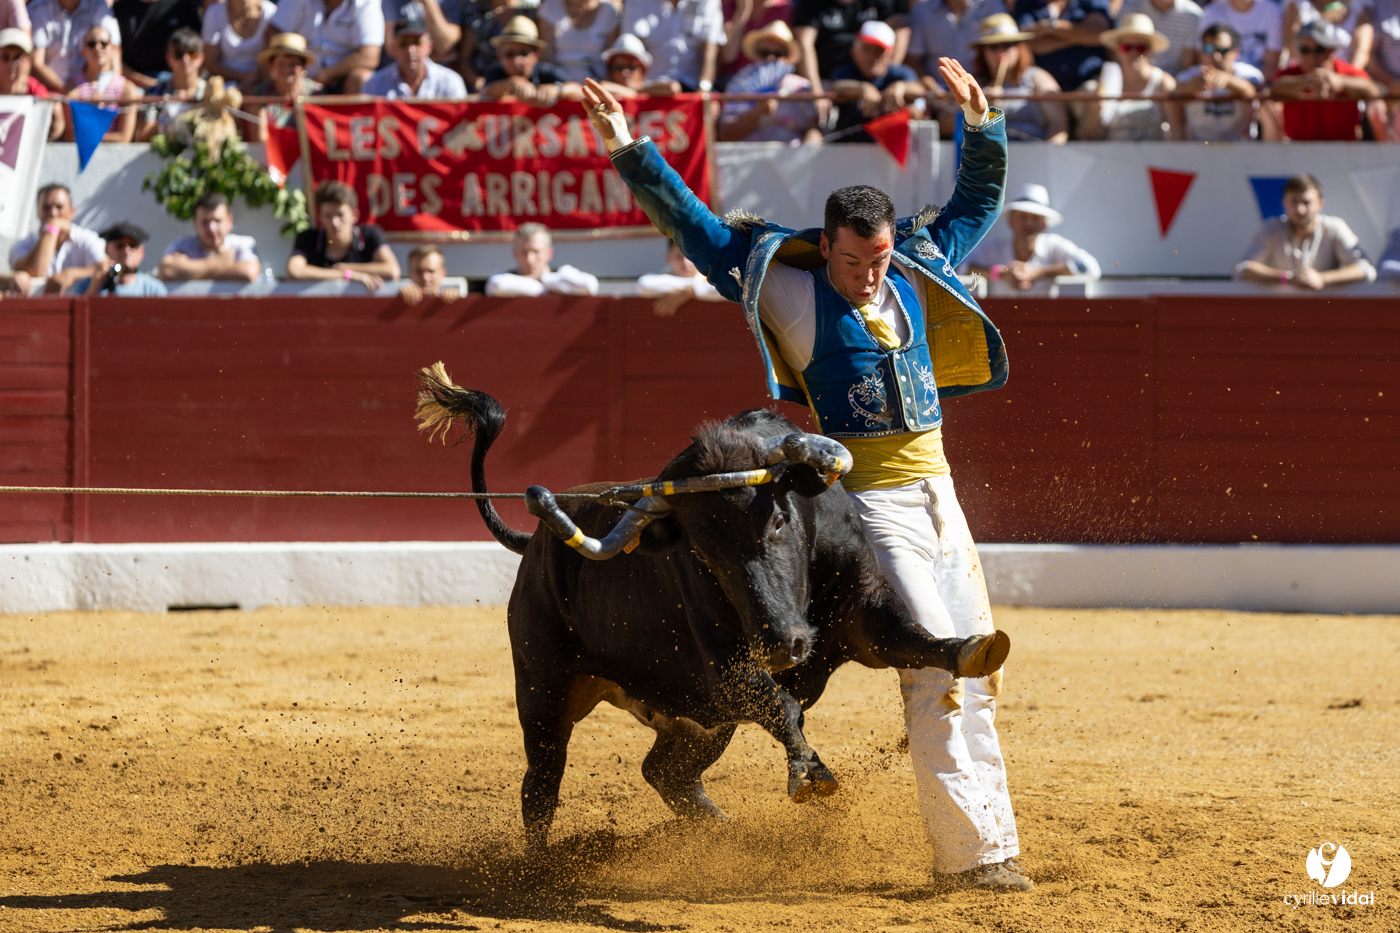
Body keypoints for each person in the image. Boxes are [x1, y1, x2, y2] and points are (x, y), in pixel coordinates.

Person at [583, 58, 1031, 891]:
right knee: (934, 667)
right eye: (856, 260)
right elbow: (700, 232)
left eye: (881, 258)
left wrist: (983, 127)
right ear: (827, 247)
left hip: (940, 493)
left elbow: (975, 204)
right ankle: (969, 858)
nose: (872, 274)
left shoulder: (915, 263)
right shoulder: (789, 290)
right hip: (874, 505)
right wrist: (629, 147)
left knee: (980, 667)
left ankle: (996, 844)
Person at [1235, 174, 1375, 289]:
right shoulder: (1272, 228)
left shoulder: (1334, 227)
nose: (1300, 209)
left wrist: (1322, 278)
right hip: (1281, 310)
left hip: (1325, 310)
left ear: (1320, 204)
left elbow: (1365, 268)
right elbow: (1243, 268)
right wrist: (1287, 278)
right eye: (1294, 202)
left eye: (1306, 202)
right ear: (1284, 203)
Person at [961, 183, 1100, 294]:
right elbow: (959, 267)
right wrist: (1001, 274)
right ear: (1011, 221)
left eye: (1035, 218)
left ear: (1044, 224)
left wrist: (1038, 272)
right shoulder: (992, 247)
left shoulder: (1053, 245)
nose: (1029, 223)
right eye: (1023, 216)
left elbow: (1091, 268)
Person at [1271, 19, 1378, 138]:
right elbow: (1274, 91)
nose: (1312, 57)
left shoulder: (1346, 72)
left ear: (1331, 50)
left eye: (1319, 49)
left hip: (1344, 147)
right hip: (1299, 147)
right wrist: (1306, 81)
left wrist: (1341, 82)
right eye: (1305, 50)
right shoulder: (1291, 73)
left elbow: (1372, 89)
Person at [967, 14, 1067, 142]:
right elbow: (948, 123)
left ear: (1019, 47)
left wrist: (1049, 152)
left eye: (1007, 45)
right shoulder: (974, 85)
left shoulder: (1036, 78)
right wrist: (978, 110)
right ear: (982, 52)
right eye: (993, 46)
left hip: (1035, 151)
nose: (1001, 53)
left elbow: (1058, 125)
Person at [286, 180, 401, 291]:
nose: (335, 222)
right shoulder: (307, 238)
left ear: (354, 215)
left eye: (340, 214)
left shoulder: (369, 235)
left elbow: (392, 270)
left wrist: (344, 267)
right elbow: (294, 271)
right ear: (320, 217)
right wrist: (347, 275)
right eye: (328, 215)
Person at [719, 21, 821, 142]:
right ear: (756, 54)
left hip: (792, 151)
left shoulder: (802, 87)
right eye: (764, 53)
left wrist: (806, 149)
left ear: (787, 57)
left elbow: (814, 130)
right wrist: (758, 111)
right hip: (749, 152)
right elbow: (725, 135)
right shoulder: (739, 83)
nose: (770, 58)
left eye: (778, 53)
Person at [1081, 12, 1176, 138]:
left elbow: (1178, 134)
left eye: (1141, 48)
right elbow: (1090, 139)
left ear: (1150, 51)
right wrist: (1095, 111)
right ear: (1117, 50)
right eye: (1127, 47)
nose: (1134, 53)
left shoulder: (1164, 84)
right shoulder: (1104, 84)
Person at [829, 20, 923, 143]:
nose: (872, 56)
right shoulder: (845, 72)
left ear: (890, 55)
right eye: (866, 49)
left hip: (894, 149)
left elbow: (919, 89)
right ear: (854, 53)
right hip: (848, 148)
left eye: (879, 51)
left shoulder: (901, 74)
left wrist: (902, 87)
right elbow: (836, 87)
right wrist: (862, 88)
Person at [1166, 22, 1261, 139]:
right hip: (1198, 147)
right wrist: (1194, 86)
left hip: (1241, 147)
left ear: (1236, 52)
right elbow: (1175, 95)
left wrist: (1228, 81)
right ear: (1201, 52)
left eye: (1223, 50)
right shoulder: (1188, 76)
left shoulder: (1250, 75)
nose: (1216, 56)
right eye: (1209, 49)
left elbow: (1252, 92)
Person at [268, 0, 385, 93]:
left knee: (362, 78)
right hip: (297, 76)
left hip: (341, 82)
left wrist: (321, 79)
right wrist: (287, 71)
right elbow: (273, 34)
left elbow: (369, 56)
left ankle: (351, 117)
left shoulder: (366, 3)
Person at [9, 184, 104, 293]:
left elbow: (103, 269)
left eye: (59, 207)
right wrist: (52, 227)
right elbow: (35, 271)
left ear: (72, 211)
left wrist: (72, 274)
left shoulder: (87, 238)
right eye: (46, 208)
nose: (53, 213)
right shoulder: (21, 245)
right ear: (38, 212)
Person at [794, 0, 906, 91]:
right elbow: (804, 42)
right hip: (828, 82)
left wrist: (887, 77)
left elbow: (901, 28)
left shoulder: (881, 3)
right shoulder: (813, 3)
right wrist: (816, 91)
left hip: (874, 83)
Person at [362, 3, 470, 96]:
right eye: (403, 44)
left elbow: (446, 46)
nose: (410, 50)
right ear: (394, 48)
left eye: (417, 42)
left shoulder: (450, 82)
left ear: (429, 46)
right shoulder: (374, 85)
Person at [622, 0, 728, 91]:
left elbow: (710, 48)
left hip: (692, 87)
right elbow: (630, 46)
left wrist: (703, 90)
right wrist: (636, 88)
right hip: (649, 88)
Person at [157, 192, 262, 283]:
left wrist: (189, 273)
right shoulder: (183, 244)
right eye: (205, 222)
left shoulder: (243, 243)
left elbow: (248, 273)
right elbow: (166, 271)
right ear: (195, 223)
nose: (212, 228)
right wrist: (218, 262)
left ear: (229, 221)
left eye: (217, 221)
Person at [1013, 0, 1113, 91]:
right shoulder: (1025, 3)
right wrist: (1080, 36)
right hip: (1044, 86)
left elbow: (1101, 35)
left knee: (1093, 93)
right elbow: (1025, 43)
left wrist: (1050, 27)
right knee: (1048, 95)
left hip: (1088, 80)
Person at [65, 25, 139, 146]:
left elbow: (124, 138)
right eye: (92, 44)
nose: (98, 47)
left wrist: (89, 136)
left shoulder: (127, 89)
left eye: (104, 43)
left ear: (113, 49)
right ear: (83, 51)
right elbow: (70, 135)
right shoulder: (72, 88)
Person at [479, 15, 581, 102]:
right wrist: (511, 83)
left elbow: (579, 89)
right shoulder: (494, 72)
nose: (516, 60)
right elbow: (484, 92)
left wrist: (556, 89)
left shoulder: (545, 71)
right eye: (509, 54)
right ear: (499, 56)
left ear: (536, 55)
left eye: (523, 53)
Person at [27, 0, 120, 92]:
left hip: (92, 89)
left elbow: (113, 49)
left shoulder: (98, 4)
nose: (98, 46)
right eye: (92, 44)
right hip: (50, 91)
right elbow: (37, 63)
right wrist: (66, 91)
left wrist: (113, 90)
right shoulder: (37, 7)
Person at [485, 223, 599, 296]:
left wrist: (542, 278)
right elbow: (496, 285)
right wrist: (543, 285)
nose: (530, 260)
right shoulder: (503, 277)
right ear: (515, 254)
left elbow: (590, 285)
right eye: (524, 252)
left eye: (536, 252)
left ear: (549, 253)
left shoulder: (563, 272)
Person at [111, 0, 205, 88]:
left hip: (176, 81)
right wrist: (146, 83)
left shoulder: (181, 5)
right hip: (133, 84)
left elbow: (200, 47)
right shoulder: (121, 9)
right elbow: (113, 56)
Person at [136, 28, 206, 142]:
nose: (185, 59)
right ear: (168, 58)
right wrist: (167, 114)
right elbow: (143, 137)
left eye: (192, 53)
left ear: (201, 58)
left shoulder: (210, 92)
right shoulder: (155, 91)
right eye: (179, 54)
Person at [248, 33, 322, 139]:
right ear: (271, 65)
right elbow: (261, 141)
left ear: (303, 66)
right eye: (281, 63)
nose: (287, 69)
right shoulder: (259, 95)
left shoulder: (316, 93)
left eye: (293, 64)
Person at [0, 28, 68, 139]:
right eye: (5, 57)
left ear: (28, 60)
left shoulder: (35, 89)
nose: (11, 63)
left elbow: (56, 125)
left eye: (17, 57)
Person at [68, 222, 169, 296]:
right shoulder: (86, 286)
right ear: (106, 249)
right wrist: (94, 288)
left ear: (141, 252)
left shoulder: (154, 290)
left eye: (132, 246)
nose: (126, 251)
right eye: (120, 246)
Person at [908, 0, 993, 80]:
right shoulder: (922, 10)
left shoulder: (992, 5)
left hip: (983, 85)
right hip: (936, 87)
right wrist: (933, 87)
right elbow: (912, 61)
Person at [640, 238, 727, 315]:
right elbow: (644, 284)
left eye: (691, 256)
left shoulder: (710, 277)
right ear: (669, 258)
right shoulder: (666, 276)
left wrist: (692, 290)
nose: (685, 262)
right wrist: (691, 289)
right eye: (678, 257)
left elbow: (727, 288)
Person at [537, 0, 620, 81]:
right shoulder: (550, 6)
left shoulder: (609, 11)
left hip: (598, 80)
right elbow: (547, 58)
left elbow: (612, 61)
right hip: (559, 81)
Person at [202, 0, 279, 86]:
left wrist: (255, 84)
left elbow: (272, 63)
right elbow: (211, 63)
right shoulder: (214, 13)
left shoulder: (272, 13)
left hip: (260, 85)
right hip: (224, 84)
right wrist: (244, 77)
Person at [1195, 0, 1282, 76]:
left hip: (1259, 84)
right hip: (1217, 83)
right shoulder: (1211, 12)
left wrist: (1247, 85)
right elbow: (1204, 57)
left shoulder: (1272, 11)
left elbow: (1271, 65)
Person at [1118, 0, 1201, 72]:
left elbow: (1186, 66)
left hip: (1175, 82)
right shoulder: (1128, 8)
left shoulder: (1193, 16)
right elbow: (1118, 52)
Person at [597, 32, 682, 96]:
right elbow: (603, 87)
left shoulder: (648, 85)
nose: (625, 72)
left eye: (631, 67)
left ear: (642, 69)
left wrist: (636, 90)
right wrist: (633, 91)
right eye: (619, 67)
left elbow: (673, 88)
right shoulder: (606, 85)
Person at [399, 245, 463, 304]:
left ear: (442, 273)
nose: (425, 277)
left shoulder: (453, 300)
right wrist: (399, 300)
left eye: (431, 271)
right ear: (409, 274)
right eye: (419, 271)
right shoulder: (399, 300)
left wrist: (456, 301)